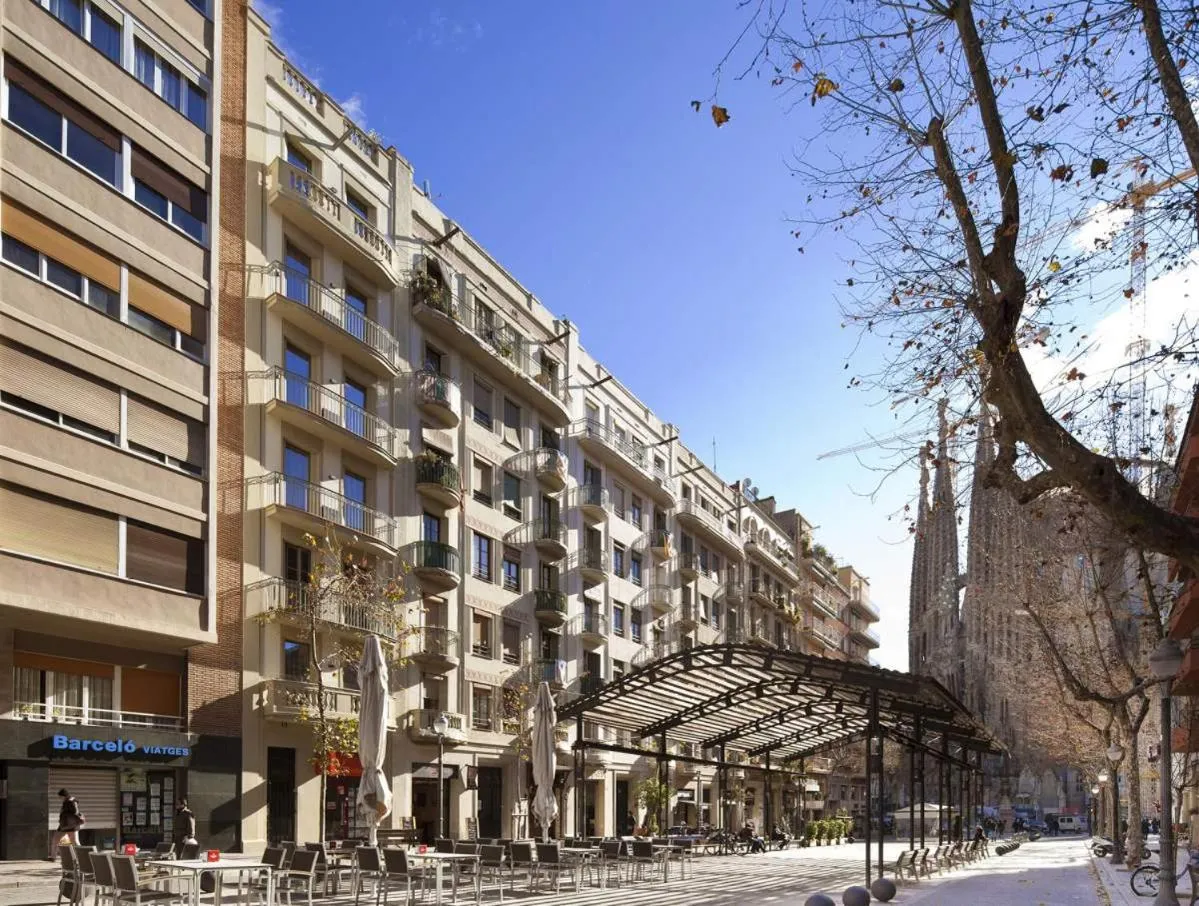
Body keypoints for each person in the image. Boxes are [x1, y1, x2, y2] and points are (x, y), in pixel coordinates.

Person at [53, 789, 83, 858]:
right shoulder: (67, 801)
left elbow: (75, 812)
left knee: (75, 842)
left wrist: (65, 814)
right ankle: (53, 857)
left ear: (64, 796)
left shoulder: (71, 801)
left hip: (71, 825)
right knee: (56, 839)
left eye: (60, 797)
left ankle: (81, 857)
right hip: (64, 825)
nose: (60, 798)